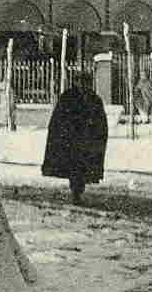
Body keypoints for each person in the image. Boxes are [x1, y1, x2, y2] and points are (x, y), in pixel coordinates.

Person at [43, 72, 108, 204]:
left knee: (83, 169)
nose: (84, 85)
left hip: (87, 141)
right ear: (76, 82)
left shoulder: (94, 99)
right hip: (71, 140)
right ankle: (76, 193)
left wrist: (97, 136)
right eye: (81, 82)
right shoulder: (67, 98)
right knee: (75, 168)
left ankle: (78, 191)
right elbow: (58, 119)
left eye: (86, 82)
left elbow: (101, 121)